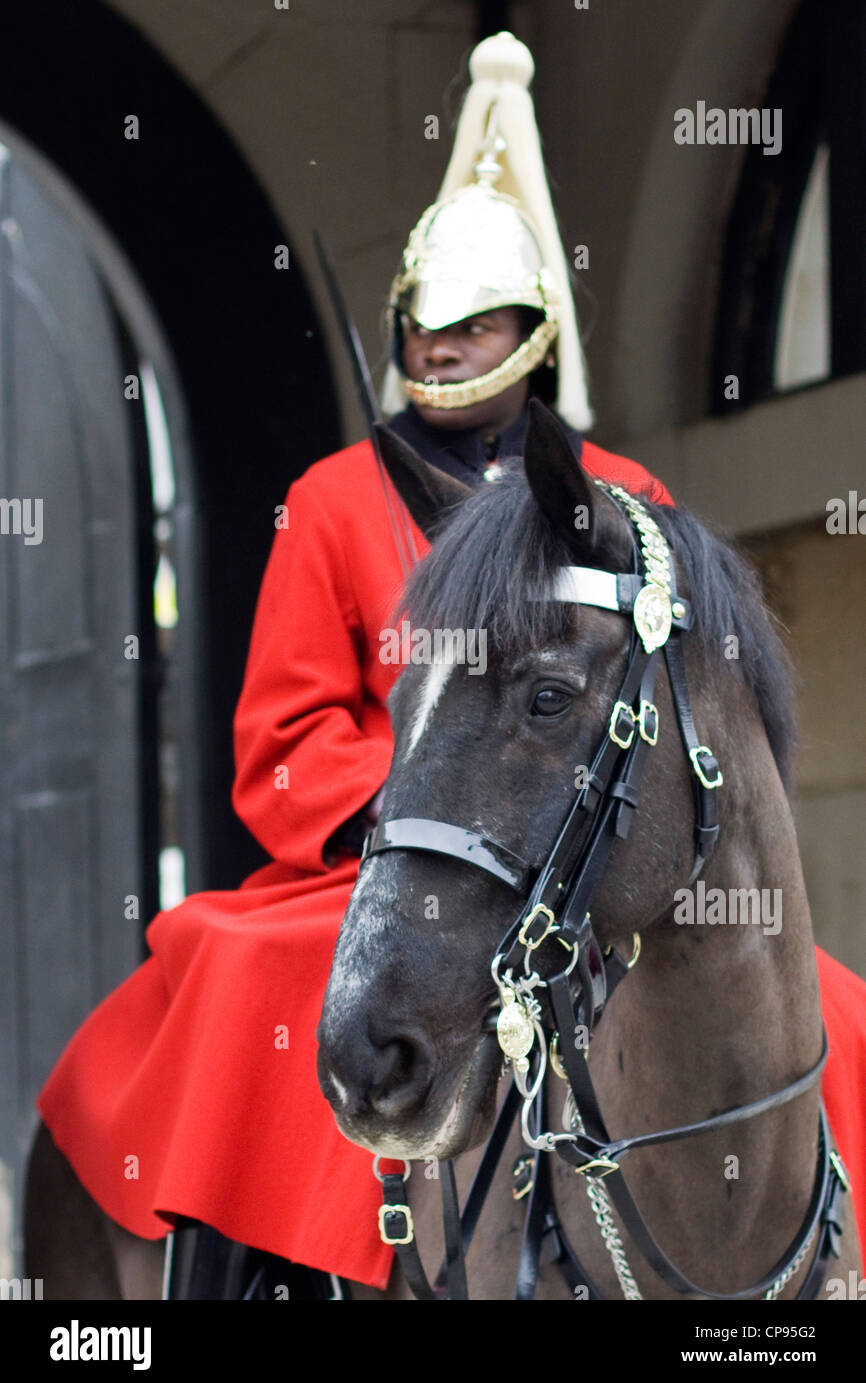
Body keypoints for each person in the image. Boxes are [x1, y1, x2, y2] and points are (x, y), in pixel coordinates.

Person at [33, 32, 864, 1299]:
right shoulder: (328, 501)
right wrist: (430, 802)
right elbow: (282, 743)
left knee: (824, 1000)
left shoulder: (624, 504)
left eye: (471, 328)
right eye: (420, 327)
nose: (438, 348)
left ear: (531, 333)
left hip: (578, 852)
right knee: (240, 967)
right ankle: (253, 1266)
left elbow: (682, 704)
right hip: (382, 846)